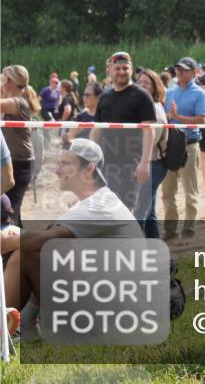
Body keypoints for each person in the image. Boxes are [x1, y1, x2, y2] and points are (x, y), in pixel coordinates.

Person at [2, 138, 142, 339]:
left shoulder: (97, 205)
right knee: (38, 253)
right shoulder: (97, 200)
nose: (57, 171)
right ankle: (23, 326)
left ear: (89, 169)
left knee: (24, 255)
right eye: (58, 164)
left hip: (116, 313)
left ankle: (10, 331)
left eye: (65, 164)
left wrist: (6, 241)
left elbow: (42, 240)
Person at [91, 51, 157, 210]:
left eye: (125, 68)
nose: (121, 72)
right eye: (118, 68)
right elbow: (96, 130)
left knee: (125, 211)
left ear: (131, 70)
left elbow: (149, 130)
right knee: (105, 209)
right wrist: (90, 157)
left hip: (130, 166)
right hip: (106, 164)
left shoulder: (141, 96)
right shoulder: (105, 97)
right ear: (109, 70)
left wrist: (144, 163)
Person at [160, 58, 205, 239]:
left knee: (190, 190)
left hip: (189, 143)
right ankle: (170, 229)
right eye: (177, 68)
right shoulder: (170, 92)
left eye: (184, 69)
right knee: (167, 191)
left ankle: (189, 228)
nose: (179, 71)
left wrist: (177, 116)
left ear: (194, 72)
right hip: (171, 144)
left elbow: (202, 119)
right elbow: (167, 118)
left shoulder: (199, 94)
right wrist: (169, 117)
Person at [1, 66, 42, 225]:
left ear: (10, 81)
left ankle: (16, 247)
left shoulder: (18, 102)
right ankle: (21, 247)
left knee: (9, 211)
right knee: (11, 210)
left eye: (4, 78)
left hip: (19, 163)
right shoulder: (16, 100)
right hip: (13, 161)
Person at [131, 68, 169, 238]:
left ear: (155, 87)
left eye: (147, 83)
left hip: (152, 163)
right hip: (144, 162)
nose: (143, 85)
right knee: (148, 210)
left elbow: (152, 140)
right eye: (140, 82)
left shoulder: (155, 108)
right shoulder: (142, 107)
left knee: (141, 209)